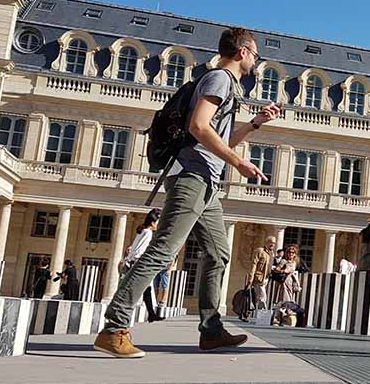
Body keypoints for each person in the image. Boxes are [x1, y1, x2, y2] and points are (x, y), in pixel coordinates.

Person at [94, 27, 282, 358]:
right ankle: (114, 328)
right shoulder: (219, 80)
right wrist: (238, 163)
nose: (256, 60)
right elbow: (198, 127)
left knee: (219, 253)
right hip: (192, 177)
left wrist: (255, 124)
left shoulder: (226, 85)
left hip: (206, 181)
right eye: (255, 54)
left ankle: (211, 331)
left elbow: (216, 139)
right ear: (242, 52)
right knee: (162, 251)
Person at [121, 208, 164, 323]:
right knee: (138, 290)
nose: (158, 225)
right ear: (153, 222)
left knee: (146, 289)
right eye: (158, 222)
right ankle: (124, 312)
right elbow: (139, 250)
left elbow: (133, 248)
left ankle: (151, 314)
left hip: (133, 263)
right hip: (138, 264)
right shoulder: (148, 233)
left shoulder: (143, 231)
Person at [245, 236, 277, 322]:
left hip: (266, 278)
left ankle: (255, 315)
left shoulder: (271, 253)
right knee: (262, 297)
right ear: (266, 242)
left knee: (258, 297)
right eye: (271, 242)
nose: (272, 245)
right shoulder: (260, 251)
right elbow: (254, 264)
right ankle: (265, 316)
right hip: (259, 277)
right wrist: (251, 278)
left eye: (274, 243)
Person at [271, 245, 302, 318]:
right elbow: (276, 269)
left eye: (293, 252)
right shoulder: (284, 261)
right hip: (284, 281)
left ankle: (284, 315)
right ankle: (283, 314)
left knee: (290, 298)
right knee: (285, 298)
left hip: (291, 282)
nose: (291, 254)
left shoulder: (295, 262)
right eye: (289, 252)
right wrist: (284, 271)